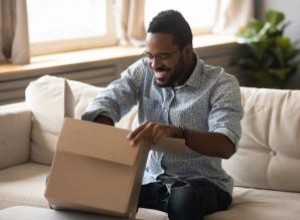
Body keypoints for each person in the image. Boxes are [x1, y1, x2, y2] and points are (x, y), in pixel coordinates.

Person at [82, 10, 243, 220]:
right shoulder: (143, 71)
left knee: (184, 199)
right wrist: (102, 124)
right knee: (72, 183)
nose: (155, 64)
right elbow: (110, 98)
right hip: (150, 182)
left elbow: (225, 144)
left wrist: (179, 134)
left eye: (164, 56)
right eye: (150, 56)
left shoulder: (221, 84)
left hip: (201, 184)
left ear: (187, 50)